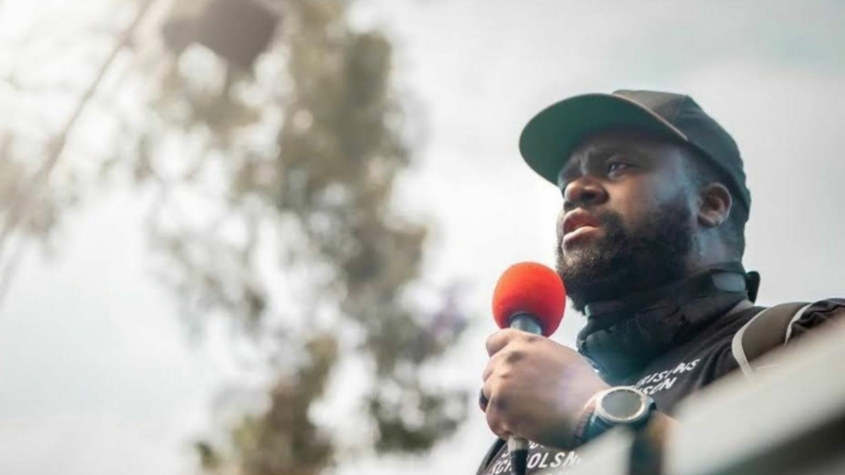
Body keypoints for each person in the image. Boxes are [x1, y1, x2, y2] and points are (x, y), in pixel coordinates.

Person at [476, 90, 845, 475]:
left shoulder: (802, 337)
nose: (574, 190)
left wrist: (599, 417)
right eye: (565, 182)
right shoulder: (518, 436)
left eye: (617, 166)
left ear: (711, 205)